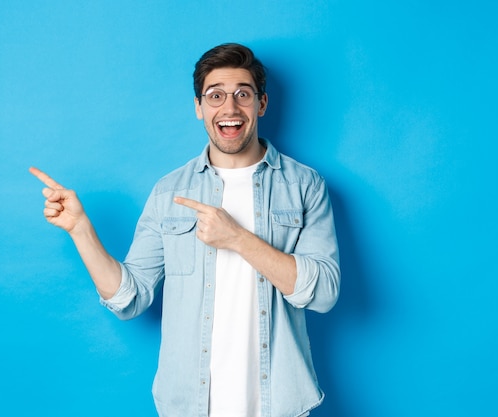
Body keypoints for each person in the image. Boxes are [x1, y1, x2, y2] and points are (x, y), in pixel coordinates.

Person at [30, 43, 340, 417]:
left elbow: (323, 293)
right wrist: (80, 229)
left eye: (243, 94)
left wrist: (238, 238)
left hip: (279, 405)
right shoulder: (169, 192)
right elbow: (130, 298)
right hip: (189, 407)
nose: (229, 108)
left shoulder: (305, 185)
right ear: (199, 107)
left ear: (261, 104)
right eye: (215, 96)